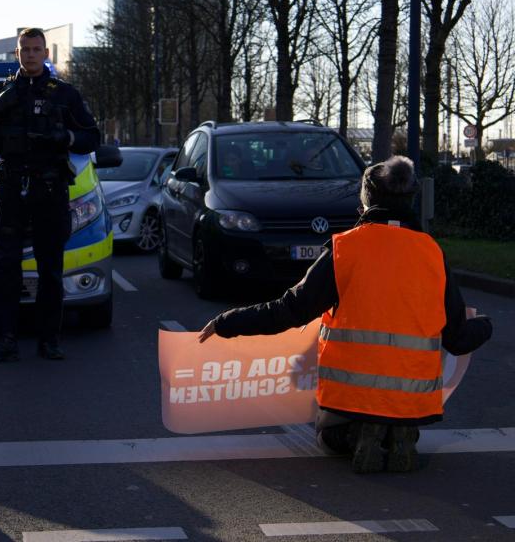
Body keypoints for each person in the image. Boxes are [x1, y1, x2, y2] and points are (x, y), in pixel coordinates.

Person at [198, 155, 493, 473]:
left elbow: (291, 310)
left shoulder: (345, 249)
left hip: (352, 397)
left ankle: (355, 434)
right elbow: (458, 338)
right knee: (399, 408)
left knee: (327, 437)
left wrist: (228, 322)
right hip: (412, 401)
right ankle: (400, 429)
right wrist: (485, 326)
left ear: (366, 201)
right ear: (410, 200)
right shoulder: (432, 253)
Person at [0, 27, 100, 363]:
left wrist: (65, 137)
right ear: (17, 54)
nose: (30, 54)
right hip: (12, 188)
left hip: (50, 188)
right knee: (5, 267)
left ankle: (49, 341)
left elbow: (92, 137)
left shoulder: (65, 95)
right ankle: (4, 341)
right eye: (24, 49)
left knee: (50, 269)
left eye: (36, 49)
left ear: (46, 53)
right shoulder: (0, 91)